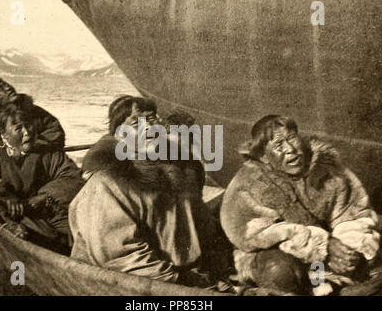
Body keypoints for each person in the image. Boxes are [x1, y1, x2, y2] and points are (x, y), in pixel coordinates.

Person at [70, 95, 232, 288]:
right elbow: (120, 256)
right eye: (136, 122)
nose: (149, 127)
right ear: (119, 135)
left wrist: (216, 271)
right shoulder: (106, 183)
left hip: (189, 277)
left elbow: (200, 226)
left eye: (152, 119)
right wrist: (182, 282)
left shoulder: (186, 170)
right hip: (130, 285)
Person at [220, 115, 380, 295]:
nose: (290, 149)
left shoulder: (327, 168)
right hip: (277, 253)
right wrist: (323, 246)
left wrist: (348, 245)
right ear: (264, 156)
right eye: (279, 145)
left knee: (357, 252)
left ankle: (330, 288)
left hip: (325, 254)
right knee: (279, 271)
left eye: (291, 138)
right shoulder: (248, 183)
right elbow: (252, 235)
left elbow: (353, 210)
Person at [0, 103, 84, 253]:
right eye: (18, 129)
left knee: (81, 236)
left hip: (51, 211)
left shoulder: (48, 153)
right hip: (16, 218)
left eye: (28, 126)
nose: (27, 133)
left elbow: (73, 177)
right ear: (4, 135)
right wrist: (2, 196)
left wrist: (45, 197)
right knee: (47, 240)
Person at [0, 75, 65, 156]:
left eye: (7, 85)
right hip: (4, 165)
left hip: (37, 159)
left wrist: (32, 144)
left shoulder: (34, 111)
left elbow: (55, 131)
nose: (8, 88)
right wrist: (4, 144)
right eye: (1, 89)